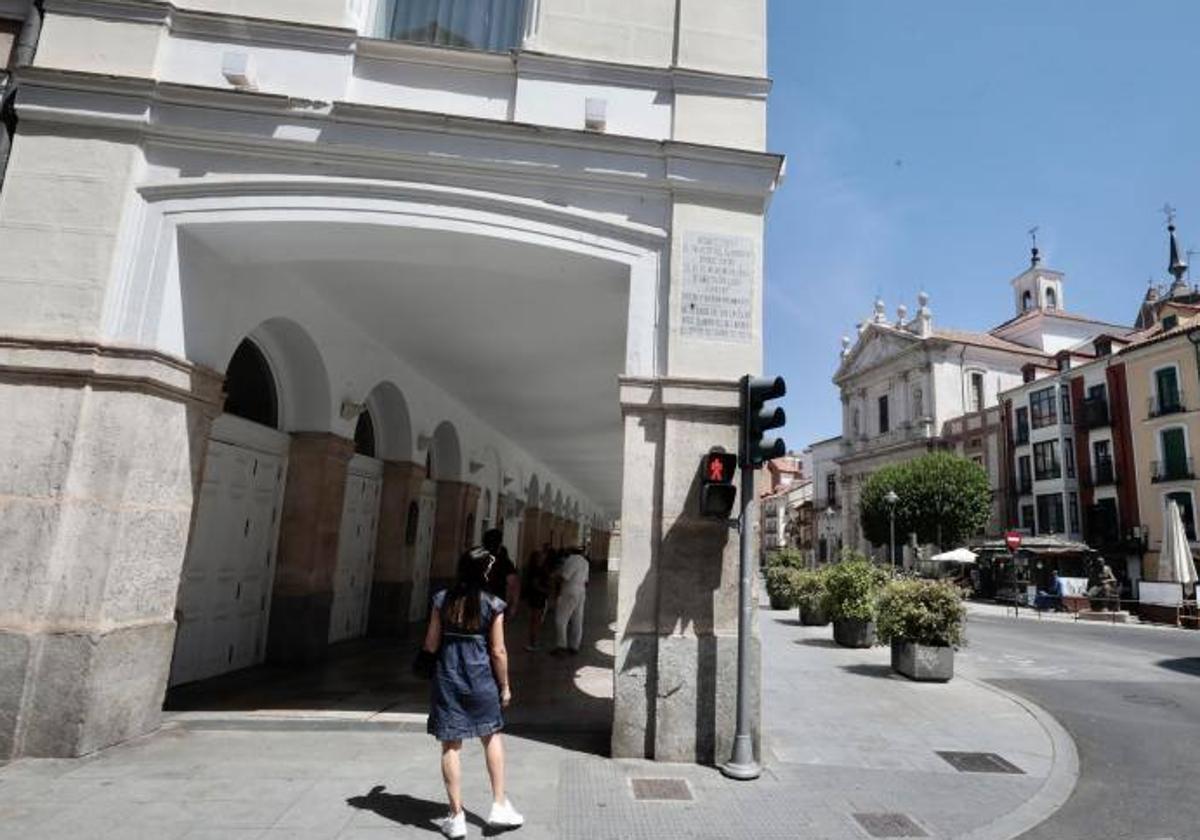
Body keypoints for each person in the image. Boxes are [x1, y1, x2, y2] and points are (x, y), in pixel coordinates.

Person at [422, 547, 524, 838]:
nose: (492, 571)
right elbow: (498, 651)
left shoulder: (442, 599)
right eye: (489, 567)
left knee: (450, 744)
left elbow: (431, 643)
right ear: (483, 572)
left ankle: (456, 816)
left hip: (448, 676)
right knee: (491, 736)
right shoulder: (493, 604)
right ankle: (499, 804)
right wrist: (504, 686)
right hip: (481, 678)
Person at [551, 546, 590, 656]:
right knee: (577, 619)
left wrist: (553, 578)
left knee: (561, 619)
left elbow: (565, 577)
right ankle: (574, 646)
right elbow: (586, 581)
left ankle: (561, 646)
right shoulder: (585, 562)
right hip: (581, 591)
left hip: (569, 590)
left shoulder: (571, 560)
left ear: (570, 552)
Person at [482, 529, 519, 615]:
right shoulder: (505, 562)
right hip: (496, 601)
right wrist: (513, 604)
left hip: (478, 600)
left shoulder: (477, 559)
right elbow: (513, 584)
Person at [522, 548, 552, 651]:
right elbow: (536, 584)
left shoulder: (534, 568)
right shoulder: (537, 570)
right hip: (538, 597)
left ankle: (533, 642)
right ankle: (533, 643)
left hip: (535, 597)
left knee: (535, 621)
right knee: (536, 621)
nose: (544, 558)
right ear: (537, 558)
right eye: (541, 556)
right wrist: (546, 591)